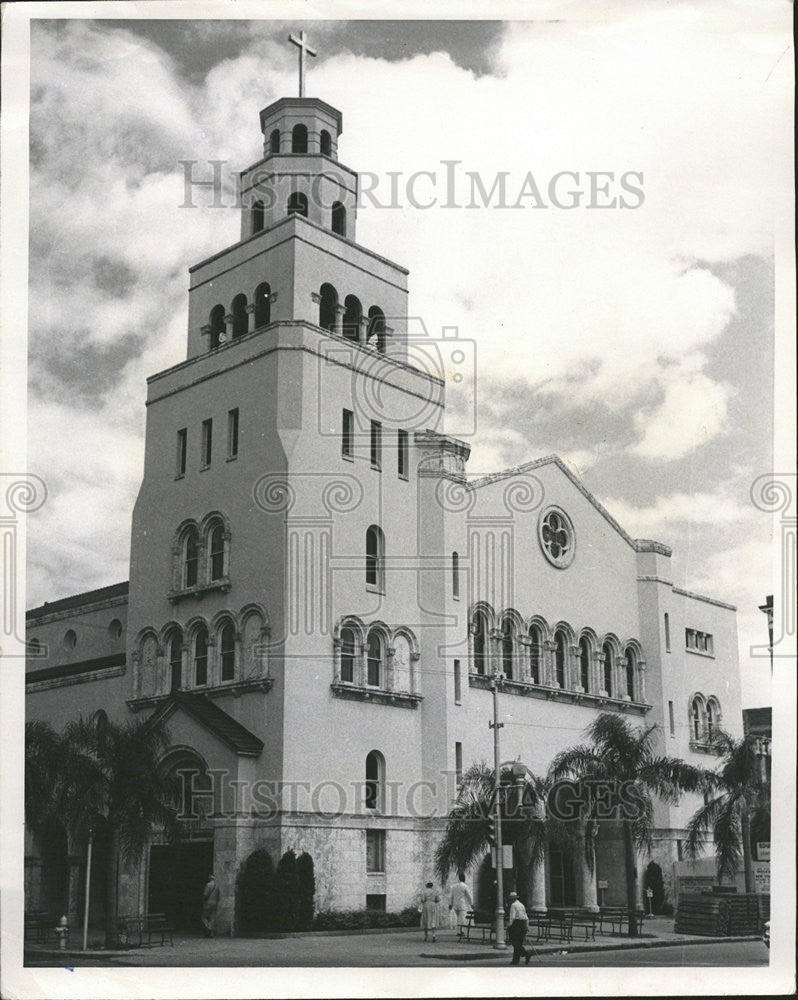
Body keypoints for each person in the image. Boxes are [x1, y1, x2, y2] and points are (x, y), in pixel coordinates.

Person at [506, 891, 531, 965]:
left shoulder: (513, 905)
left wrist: (509, 925)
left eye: (511, 899)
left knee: (513, 941)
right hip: (523, 923)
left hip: (516, 924)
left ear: (512, 899)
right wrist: (527, 926)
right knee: (519, 942)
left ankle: (526, 954)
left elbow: (512, 917)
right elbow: (526, 916)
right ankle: (515, 960)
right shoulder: (521, 905)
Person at [448, 872, 474, 938]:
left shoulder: (454, 886)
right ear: (464, 879)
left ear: (459, 878)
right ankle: (461, 931)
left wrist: (450, 904)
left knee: (458, 918)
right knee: (462, 919)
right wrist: (471, 904)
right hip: (462, 904)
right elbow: (469, 896)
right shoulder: (465, 886)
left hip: (455, 904)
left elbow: (451, 896)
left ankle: (459, 931)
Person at [201, 873, 220, 938]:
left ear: (210, 877)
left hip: (208, 903)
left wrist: (203, 900)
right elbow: (218, 896)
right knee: (212, 918)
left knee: (204, 917)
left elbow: (205, 894)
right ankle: (211, 933)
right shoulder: (217, 886)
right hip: (215, 903)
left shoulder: (208, 885)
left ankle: (209, 928)